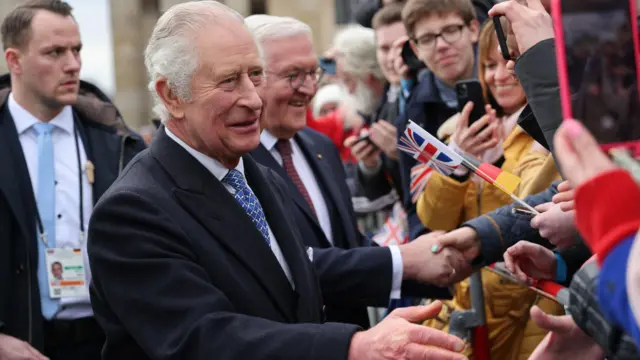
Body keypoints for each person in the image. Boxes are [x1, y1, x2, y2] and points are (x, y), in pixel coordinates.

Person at [87, 2, 468, 359]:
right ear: (171, 95)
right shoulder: (132, 211)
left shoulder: (260, 177)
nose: (254, 99)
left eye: (255, 75)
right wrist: (351, 346)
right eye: (229, 81)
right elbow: (203, 338)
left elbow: (297, 285)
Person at [0, 1, 145, 359]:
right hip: (18, 342)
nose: (73, 64)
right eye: (55, 52)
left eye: (76, 50)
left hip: (110, 342)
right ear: (14, 61)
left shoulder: (118, 142)